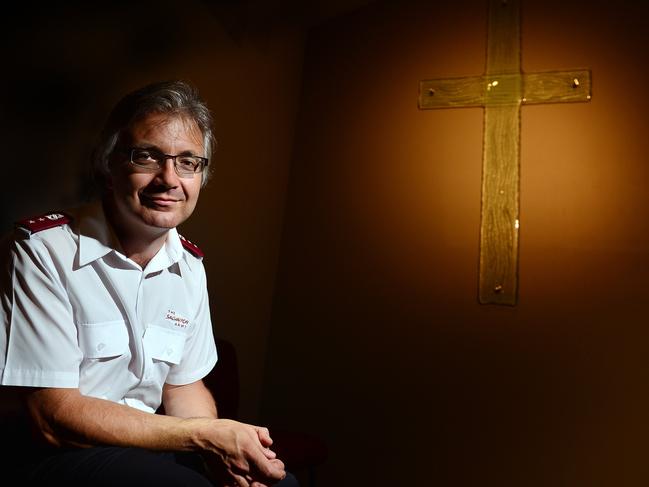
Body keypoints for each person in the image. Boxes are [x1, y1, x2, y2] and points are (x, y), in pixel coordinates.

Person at [0, 80, 297, 487]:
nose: (169, 179)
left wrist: (221, 458)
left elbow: (183, 386)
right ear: (107, 165)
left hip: (145, 454)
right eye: (147, 157)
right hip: (49, 457)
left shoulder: (189, 266)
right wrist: (205, 437)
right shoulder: (41, 250)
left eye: (189, 162)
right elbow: (53, 416)